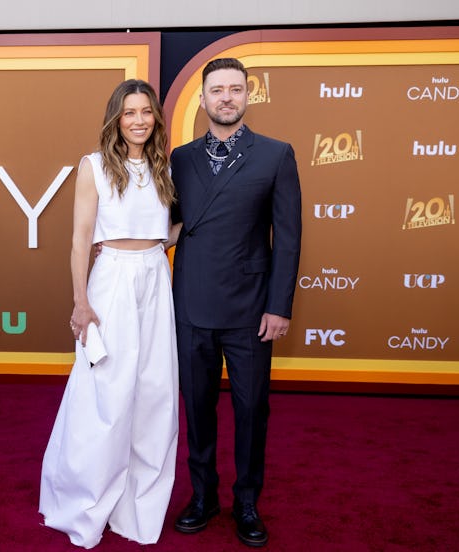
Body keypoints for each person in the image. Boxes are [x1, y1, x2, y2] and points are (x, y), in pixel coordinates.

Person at [39, 79, 180, 549]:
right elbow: (81, 240)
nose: (138, 120)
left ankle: (137, 510)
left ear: (155, 118)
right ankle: (84, 501)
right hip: (111, 281)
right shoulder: (94, 167)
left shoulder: (164, 166)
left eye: (145, 112)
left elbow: (163, 230)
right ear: (115, 118)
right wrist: (81, 302)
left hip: (155, 278)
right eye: (129, 113)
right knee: (106, 396)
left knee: (155, 393)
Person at [169, 58, 302, 547]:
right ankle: (203, 497)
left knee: (251, 410)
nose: (226, 97)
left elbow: (286, 238)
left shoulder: (275, 155)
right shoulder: (179, 159)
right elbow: (165, 223)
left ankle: (247, 502)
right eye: (217, 90)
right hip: (192, 304)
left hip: (251, 310)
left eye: (235, 89)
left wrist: (279, 306)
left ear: (248, 96)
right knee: (197, 408)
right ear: (202, 99)